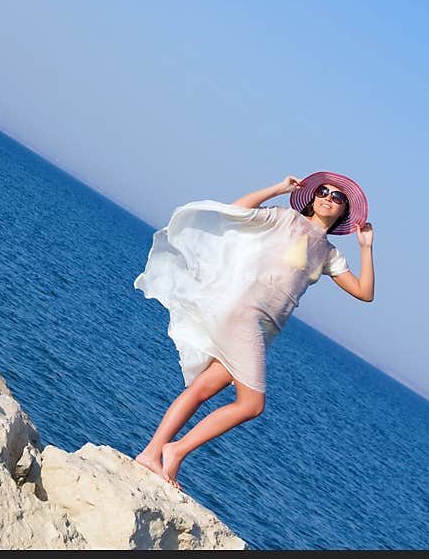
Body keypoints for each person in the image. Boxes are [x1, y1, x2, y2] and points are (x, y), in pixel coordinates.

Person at [132, 171, 375, 490]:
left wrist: (366, 247)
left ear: (344, 210)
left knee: (204, 388)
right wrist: (277, 189)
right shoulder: (286, 220)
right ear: (312, 199)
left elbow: (363, 292)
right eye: (323, 192)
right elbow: (238, 209)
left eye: (337, 196)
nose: (328, 197)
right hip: (244, 314)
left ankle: (150, 453)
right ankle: (175, 450)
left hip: (264, 328)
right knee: (252, 404)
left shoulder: (330, 254)